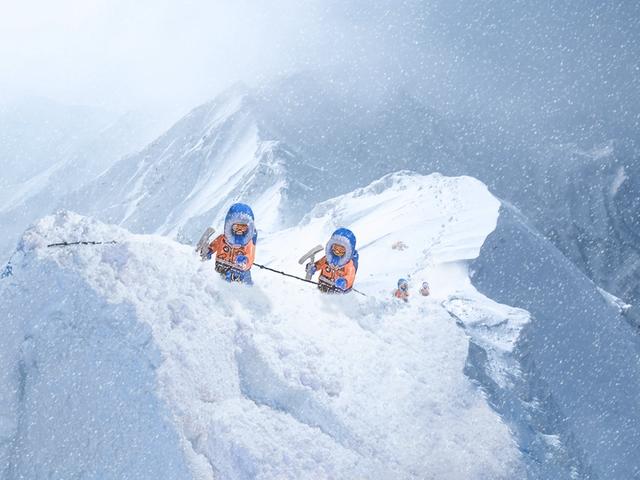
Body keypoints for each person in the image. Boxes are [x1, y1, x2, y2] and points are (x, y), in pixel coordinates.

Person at [207, 203, 257, 284]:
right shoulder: (222, 239)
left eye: (243, 228)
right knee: (222, 287)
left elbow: (250, 257)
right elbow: (214, 245)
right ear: (229, 226)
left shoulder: (248, 244)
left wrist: (245, 260)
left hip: (241, 275)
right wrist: (209, 250)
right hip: (223, 269)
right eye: (236, 227)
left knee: (246, 289)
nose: (240, 230)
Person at [306, 228, 359, 293]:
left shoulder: (349, 265)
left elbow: (350, 276)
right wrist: (314, 267)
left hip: (338, 291)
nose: (337, 251)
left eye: (341, 250)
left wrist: (345, 282)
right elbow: (319, 264)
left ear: (348, 251)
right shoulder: (327, 259)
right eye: (335, 248)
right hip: (322, 285)